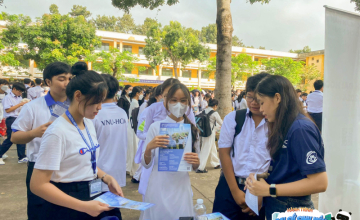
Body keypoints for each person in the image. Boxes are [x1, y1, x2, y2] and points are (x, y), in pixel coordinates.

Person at [30, 67, 124, 220]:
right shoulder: (57, 132)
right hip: (66, 203)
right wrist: (83, 206)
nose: (100, 107)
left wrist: (105, 177)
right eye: (96, 102)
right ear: (78, 95)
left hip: (91, 193)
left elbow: (83, 160)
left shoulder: (88, 123)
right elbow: (38, 185)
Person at [245, 75, 328, 219]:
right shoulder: (286, 125)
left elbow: (319, 182)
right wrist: (261, 178)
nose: (260, 108)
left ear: (277, 98)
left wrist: (269, 189)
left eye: (262, 102)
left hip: (292, 207)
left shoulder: (300, 128)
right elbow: (290, 169)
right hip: (280, 205)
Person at [11, 62, 72, 220]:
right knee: (40, 213)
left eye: (70, 79)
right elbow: (14, 137)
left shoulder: (76, 106)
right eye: (62, 79)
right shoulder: (33, 107)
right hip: (40, 167)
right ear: (48, 82)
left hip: (69, 168)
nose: (67, 83)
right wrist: (34, 133)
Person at [213, 73, 271, 220]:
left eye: (258, 99)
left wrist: (260, 196)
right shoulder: (234, 118)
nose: (253, 103)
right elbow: (224, 153)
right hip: (229, 185)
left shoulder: (275, 124)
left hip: (258, 190)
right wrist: (234, 191)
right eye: (250, 97)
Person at [140, 83, 200, 220]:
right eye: (174, 100)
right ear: (166, 102)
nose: (178, 104)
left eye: (183, 100)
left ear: (188, 103)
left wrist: (196, 162)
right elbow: (146, 164)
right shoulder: (155, 128)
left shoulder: (192, 130)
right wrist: (149, 147)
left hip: (181, 187)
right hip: (158, 187)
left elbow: (196, 166)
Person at [92, 74, 128, 208]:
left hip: (98, 174)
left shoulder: (94, 114)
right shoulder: (122, 113)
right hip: (116, 173)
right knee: (113, 211)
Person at [0, 82, 29, 165]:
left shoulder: (18, 97)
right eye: (19, 91)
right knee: (11, 138)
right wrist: (20, 104)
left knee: (21, 136)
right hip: (11, 119)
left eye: (21, 92)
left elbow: (18, 109)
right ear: (14, 89)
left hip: (18, 118)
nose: (20, 93)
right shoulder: (8, 97)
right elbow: (8, 110)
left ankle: (22, 156)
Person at [197, 98, 222, 173]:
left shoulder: (203, 111)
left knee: (212, 147)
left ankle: (216, 163)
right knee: (206, 149)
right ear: (215, 105)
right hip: (210, 133)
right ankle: (201, 167)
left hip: (203, 132)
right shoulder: (214, 113)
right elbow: (221, 123)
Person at [127, 86, 142, 183]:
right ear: (137, 93)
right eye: (141, 93)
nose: (142, 95)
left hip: (132, 126)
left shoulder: (133, 101)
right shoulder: (135, 102)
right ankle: (134, 170)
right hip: (133, 127)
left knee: (134, 148)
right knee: (135, 148)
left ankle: (134, 170)